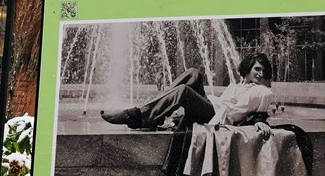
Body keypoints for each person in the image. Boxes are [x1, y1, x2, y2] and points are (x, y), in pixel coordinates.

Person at [100, 53, 274, 140]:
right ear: (248, 67)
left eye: (263, 71)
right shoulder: (235, 86)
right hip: (213, 107)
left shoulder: (263, 92)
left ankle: (138, 115)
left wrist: (260, 122)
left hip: (218, 117)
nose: (260, 73)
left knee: (183, 91)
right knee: (193, 73)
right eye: (257, 69)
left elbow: (259, 115)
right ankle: (154, 113)